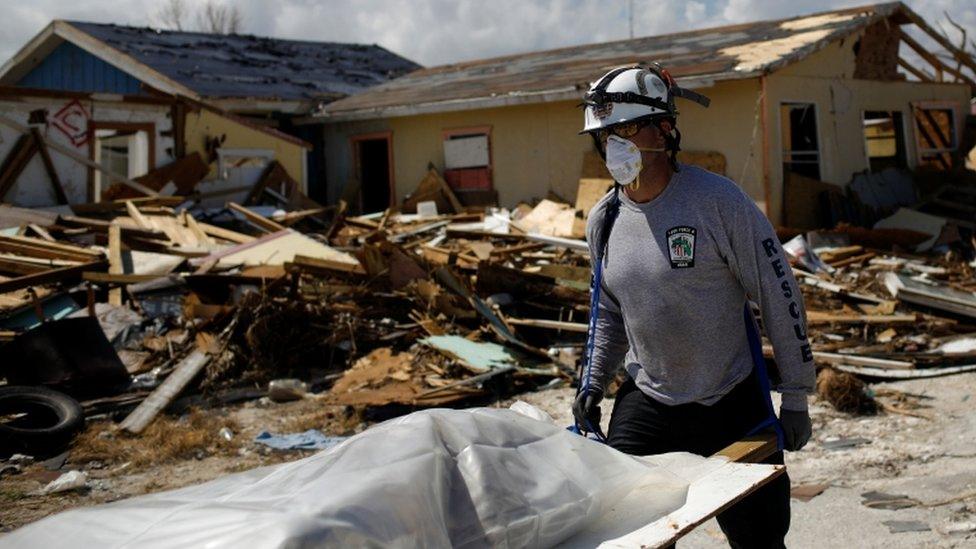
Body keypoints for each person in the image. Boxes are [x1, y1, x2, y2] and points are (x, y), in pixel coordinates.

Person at [572, 64, 816, 548]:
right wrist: (591, 384)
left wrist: (796, 396)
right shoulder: (604, 219)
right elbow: (608, 313)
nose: (612, 146)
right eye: (603, 136)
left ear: (664, 129)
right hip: (651, 400)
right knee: (627, 532)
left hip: (731, 398)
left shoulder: (718, 203)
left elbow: (778, 294)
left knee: (759, 539)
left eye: (624, 130)